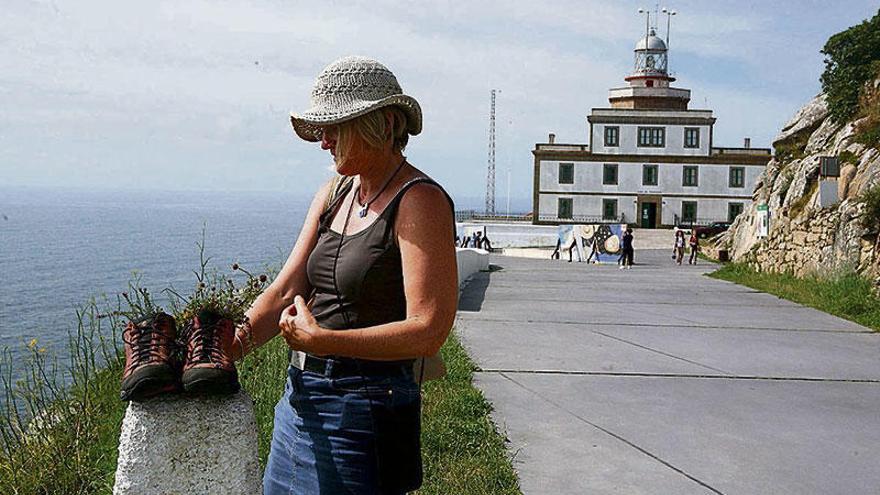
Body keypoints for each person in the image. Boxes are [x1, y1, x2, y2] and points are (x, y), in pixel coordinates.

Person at [235, 56, 458, 495]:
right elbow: (284, 290)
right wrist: (228, 348)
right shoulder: (335, 193)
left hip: (366, 411)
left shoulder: (419, 201)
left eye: (335, 127)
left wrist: (326, 342)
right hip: (299, 401)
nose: (324, 142)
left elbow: (428, 331)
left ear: (383, 123)